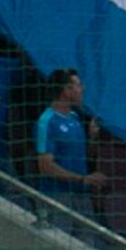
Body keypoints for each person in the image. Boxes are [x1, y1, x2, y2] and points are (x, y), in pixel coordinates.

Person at [31, 67, 102, 201]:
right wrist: (81, 179)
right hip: (57, 196)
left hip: (81, 194)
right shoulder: (46, 122)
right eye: (79, 85)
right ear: (66, 90)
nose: (83, 89)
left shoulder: (75, 117)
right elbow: (45, 166)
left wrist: (92, 138)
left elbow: (83, 155)